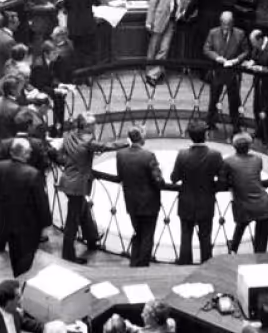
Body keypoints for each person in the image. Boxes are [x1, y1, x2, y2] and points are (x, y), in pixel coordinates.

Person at [56, 113, 126, 264]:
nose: (95, 127)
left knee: (83, 209)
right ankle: (68, 254)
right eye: (93, 125)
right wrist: (127, 141)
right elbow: (108, 146)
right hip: (77, 184)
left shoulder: (69, 135)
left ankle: (92, 238)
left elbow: (60, 155)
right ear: (87, 127)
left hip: (67, 180)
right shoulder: (88, 140)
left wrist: (72, 164)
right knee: (72, 222)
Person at [0, 139, 51, 276]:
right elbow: (41, 202)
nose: (31, 151)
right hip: (26, 224)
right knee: (26, 257)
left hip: (7, 218)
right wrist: (45, 223)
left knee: (14, 253)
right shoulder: (33, 174)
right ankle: (21, 280)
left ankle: (17, 277)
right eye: (29, 150)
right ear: (23, 153)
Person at [168, 120, 222, 265]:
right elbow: (222, 179)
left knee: (185, 237)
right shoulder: (215, 155)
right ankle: (206, 267)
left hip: (186, 201)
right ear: (206, 135)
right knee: (205, 238)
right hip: (206, 201)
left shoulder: (182, 154)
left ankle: (185, 266)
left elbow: (174, 178)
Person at [117, 126, 164, 267]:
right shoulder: (148, 156)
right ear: (141, 138)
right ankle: (142, 267)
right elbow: (158, 181)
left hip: (131, 202)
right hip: (149, 203)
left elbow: (120, 176)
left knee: (138, 232)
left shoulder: (120, 154)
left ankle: (134, 263)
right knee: (147, 236)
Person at [222, 132, 268, 254]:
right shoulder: (257, 159)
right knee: (261, 249)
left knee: (240, 226)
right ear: (249, 146)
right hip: (263, 204)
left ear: (234, 146)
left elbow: (223, 180)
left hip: (243, 203)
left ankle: (233, 248)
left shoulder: (228, 162)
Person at [204, 11, 248, 131]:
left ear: (232, 23)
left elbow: (245, 51)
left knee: (234, 101)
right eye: (224, 24)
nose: (226, 27)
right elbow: (207, 49)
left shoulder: (240, 34)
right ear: (220, 22)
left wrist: (236, 60)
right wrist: (217, 57)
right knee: (213, 99)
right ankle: (210, 122)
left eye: (228, 24)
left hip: (233, 73)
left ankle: (235, 125)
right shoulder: (213, 33)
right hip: (217, 71)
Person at [144, 0, 182, 84]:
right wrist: (149, 21)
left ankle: (155, 73)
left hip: (171, 22)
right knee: (154, 47)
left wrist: (179, 14)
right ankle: (149, 72)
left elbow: (176, 6)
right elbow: (152, 5)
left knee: (164, 48)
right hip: (159, 21)